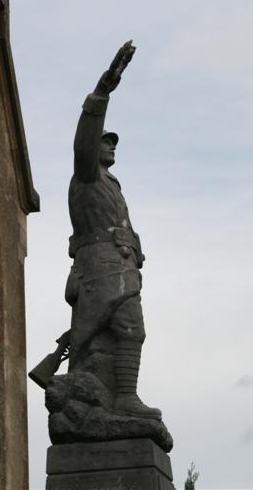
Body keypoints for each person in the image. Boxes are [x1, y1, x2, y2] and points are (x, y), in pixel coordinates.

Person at [65, 40, 161, 420]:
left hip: (120, 267)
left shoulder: (112, 185)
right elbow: (84, 139)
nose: (111, 147)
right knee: (101, 335)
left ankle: (124, 396)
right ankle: (115, 398)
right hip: (99, 268)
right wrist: (103, 91)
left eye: (113, 143)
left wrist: (136, 252)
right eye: (106, 142)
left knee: (130, 329)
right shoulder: (86, 176)